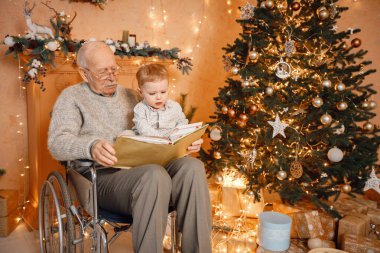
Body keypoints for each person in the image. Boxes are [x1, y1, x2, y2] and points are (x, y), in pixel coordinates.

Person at [47, 41, 212, 253]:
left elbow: (161, 134)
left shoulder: (134, 96)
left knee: (192, 168)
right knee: (154, 175)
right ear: (84, 73)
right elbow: (56, 143)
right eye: (102, 72)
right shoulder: (71, 98)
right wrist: (91, 146)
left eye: (113, 69)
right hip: (101, 178)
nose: (111, 76)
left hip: (146, 168)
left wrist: (186, 142)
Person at [133, 63, 188, 137]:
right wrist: (160, 138)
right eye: (152, 93)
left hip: (170, 137)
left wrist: (177, 132)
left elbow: (182, 121)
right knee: (127, 134)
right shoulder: (140, 109)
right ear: (141, 92)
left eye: (163, 92)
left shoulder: (174, 106)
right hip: (148, 138)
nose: (159, 97)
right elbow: (144, 128)